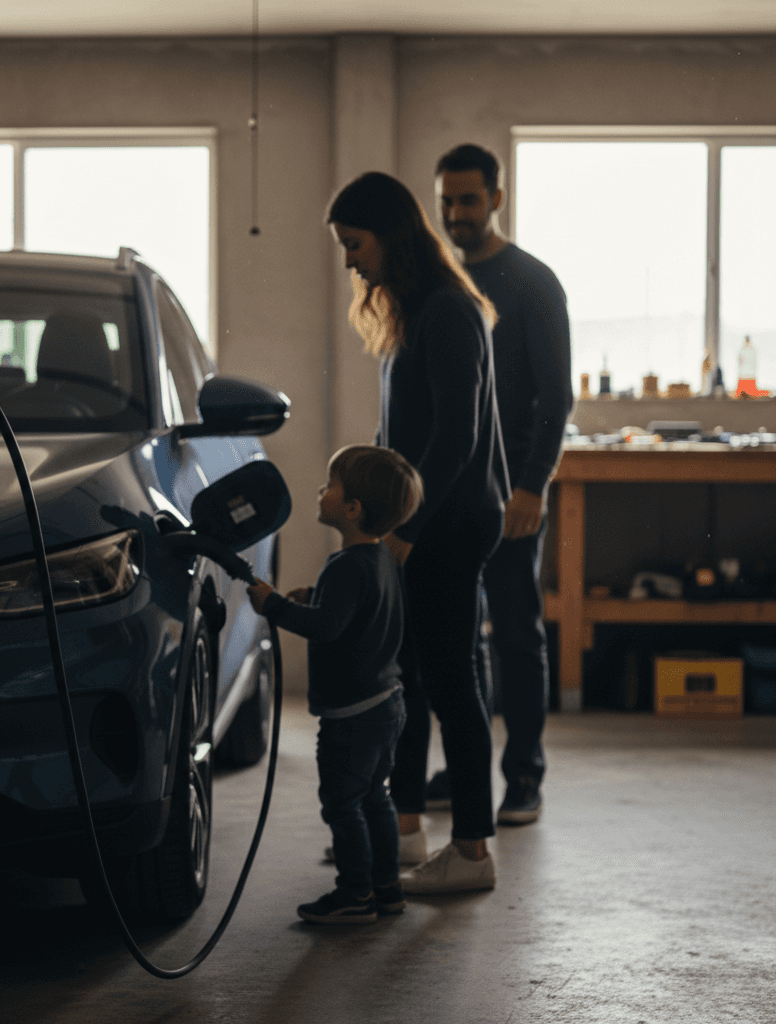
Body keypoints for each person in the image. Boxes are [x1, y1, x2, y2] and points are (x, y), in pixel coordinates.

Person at [327, 171, 510, 896]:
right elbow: (400, 432)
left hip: (451, 525)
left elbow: (457, 438)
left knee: (451, 680)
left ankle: (472, 851)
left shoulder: (446, 311)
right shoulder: (413, 310)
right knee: (406, 675)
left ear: (390, 234)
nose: (349, 262)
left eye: (354, 244)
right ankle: (403, 829)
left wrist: (405, 529)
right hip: (422, 524)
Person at [425, 144, 572, 824]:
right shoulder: (436, 284)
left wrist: (534, 486)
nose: (455, 213)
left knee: (516, 634)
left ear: (497, 200)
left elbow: (556, 396)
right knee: (457, 639)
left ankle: (525, 777)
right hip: (450, 494)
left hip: (511, 494)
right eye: (446, 201)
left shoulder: (532, 282)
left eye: (469, 200)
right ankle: (464, 772)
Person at [248, 445, 423, 924]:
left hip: (352, 717)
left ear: (352, 510)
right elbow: (352, 615)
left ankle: (354, 895)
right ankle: (387, 889)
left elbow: (326, 628)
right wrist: (316, 598)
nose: (320, 492)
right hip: (387, 703)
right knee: (375, 797)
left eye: (330, 486)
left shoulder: (345, 566)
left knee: (343, 805)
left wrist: (275, 606)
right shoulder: (382, 558)